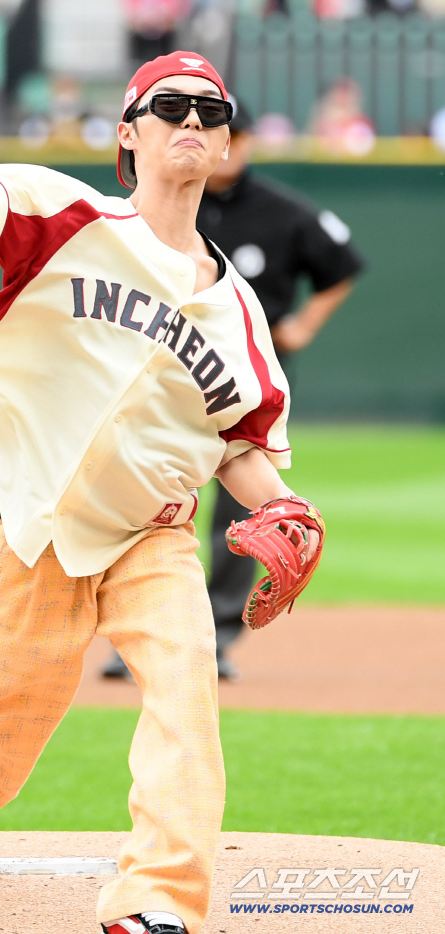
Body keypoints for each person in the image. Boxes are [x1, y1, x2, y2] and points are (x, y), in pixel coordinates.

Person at [0, 9, 320, 934]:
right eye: (171, 106)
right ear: (131, 132)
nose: (194, 121)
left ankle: (157, 901)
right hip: (28, 520)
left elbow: (244, 445)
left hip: (151, 536)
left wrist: (286, 509)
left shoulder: (240, 315)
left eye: (213, 108)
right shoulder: (69, 218)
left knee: (185, 691)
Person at [200, 97, 363, 679]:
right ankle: (138, 630)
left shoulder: (282, 211)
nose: (228, 145)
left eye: (236, 136)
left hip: (248, 368)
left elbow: (343, 263)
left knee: (238, 505)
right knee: (150, 495)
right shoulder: (167, 202)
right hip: (165, 367)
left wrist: (305, 324)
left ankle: (216, 632)